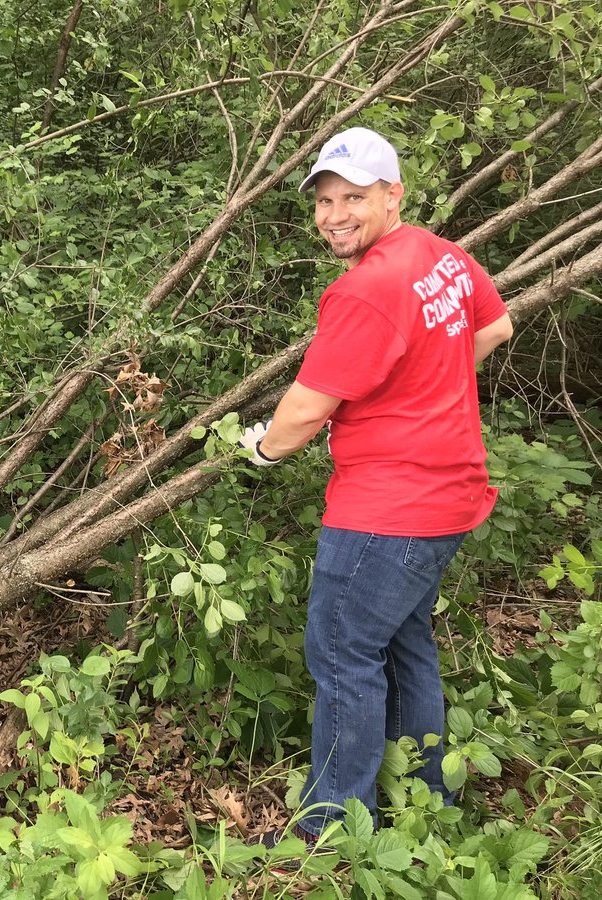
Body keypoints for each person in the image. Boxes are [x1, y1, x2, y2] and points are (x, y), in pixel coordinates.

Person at [238, 128, 513, 864]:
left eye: (352, 197)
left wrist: (262, 450)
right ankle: (429, 796)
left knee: (342, 652)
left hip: (388, 509)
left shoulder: (366, 288)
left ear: (393, 194)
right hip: (452, 491)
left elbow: (302, 413)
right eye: (325, 201)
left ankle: (328, 824)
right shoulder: (439, 256)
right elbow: (495, 324)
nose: (333, 215)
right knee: (403, 645)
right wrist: (427, 381)